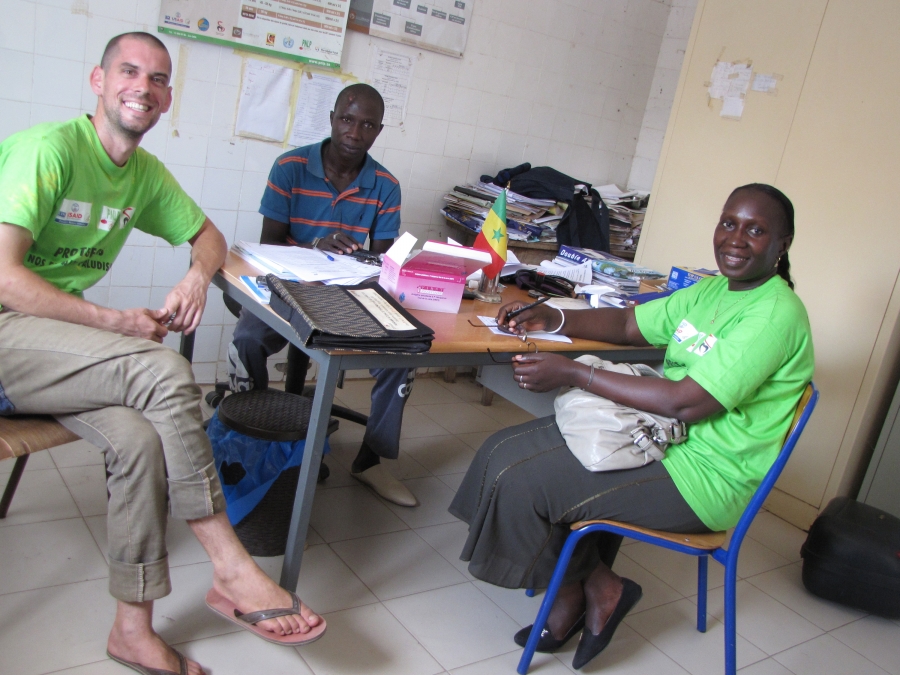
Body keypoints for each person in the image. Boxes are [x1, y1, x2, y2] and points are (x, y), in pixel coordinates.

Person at [0, 33, 324, 675]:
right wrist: (111, 320)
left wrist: (195, 278)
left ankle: (131, 629)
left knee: (138, 441)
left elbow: (211, 237)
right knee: (166, 370)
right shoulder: (50, 150)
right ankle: (231, 566)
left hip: (43, 358)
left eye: (157, 79)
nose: (142, 88)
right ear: (98, 80)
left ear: (168, 97)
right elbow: (5, 278)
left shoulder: (142, 174)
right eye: (128, 72)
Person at [449, 184, 814, 670]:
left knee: (522, 482)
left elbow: (689, 403)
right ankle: (598, 585)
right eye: (729, 223)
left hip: (704, 476)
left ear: (781, 244)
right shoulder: (712, 290)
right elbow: (628, 326)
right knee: (499, 449)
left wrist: (575, 372)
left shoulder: (775, 313)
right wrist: (552, 315)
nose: (736, 239)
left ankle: (577, 596)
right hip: (657, 435)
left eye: (755, 229)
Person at [227, 83, 419, 507]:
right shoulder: (290, 167)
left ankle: (370, 460)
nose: (355, 131)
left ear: (378, 131)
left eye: (368, 124)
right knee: (247, 338)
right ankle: (255, 436)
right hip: (287, 287)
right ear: (332, 117)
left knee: (405, 356)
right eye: (347, 119)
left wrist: (362, 257)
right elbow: (268, 245)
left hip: (349, 295)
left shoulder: (385, 184)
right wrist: (314, 247)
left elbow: (383, 262)